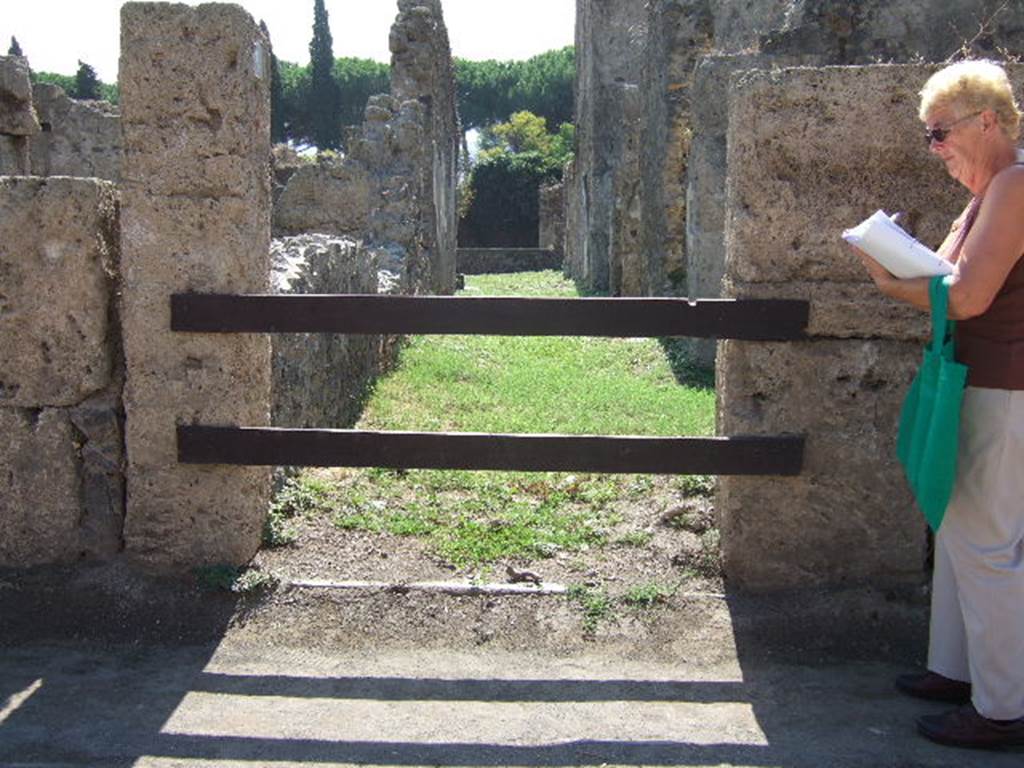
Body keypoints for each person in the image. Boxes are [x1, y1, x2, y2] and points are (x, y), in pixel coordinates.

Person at [854, 59, 1024, 749]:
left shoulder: (1014, 185)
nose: (935, 148)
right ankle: (957, 670)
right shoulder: (990, 190)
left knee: (985, 543)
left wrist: (887, 280)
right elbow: (951, 271)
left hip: (1001, 386)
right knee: (958, 527)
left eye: (940, 132)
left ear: (989, 121)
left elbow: (968, 297)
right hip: (976, 379)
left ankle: (1004, 707)